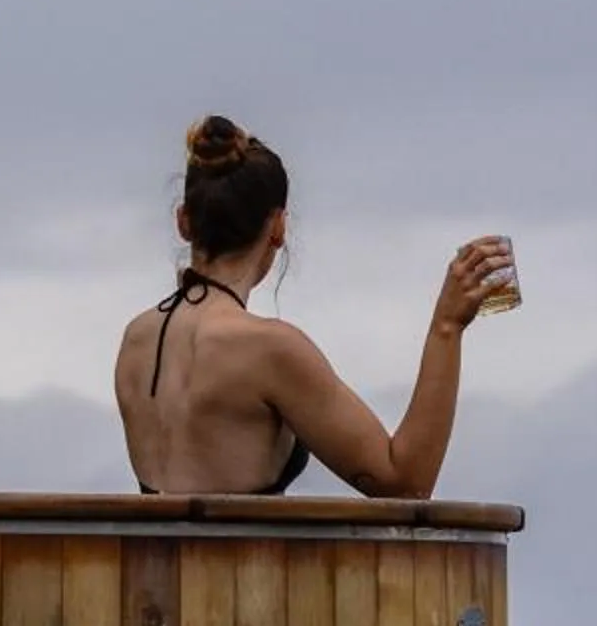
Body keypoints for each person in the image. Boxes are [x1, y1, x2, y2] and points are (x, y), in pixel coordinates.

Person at [114, 116, 511, 498]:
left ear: (184, 222)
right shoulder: (269, 350)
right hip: (244, 550)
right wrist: (447, 327)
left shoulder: (137, 340)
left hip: (145, 551)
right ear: (278, 228)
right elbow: (405, 484)